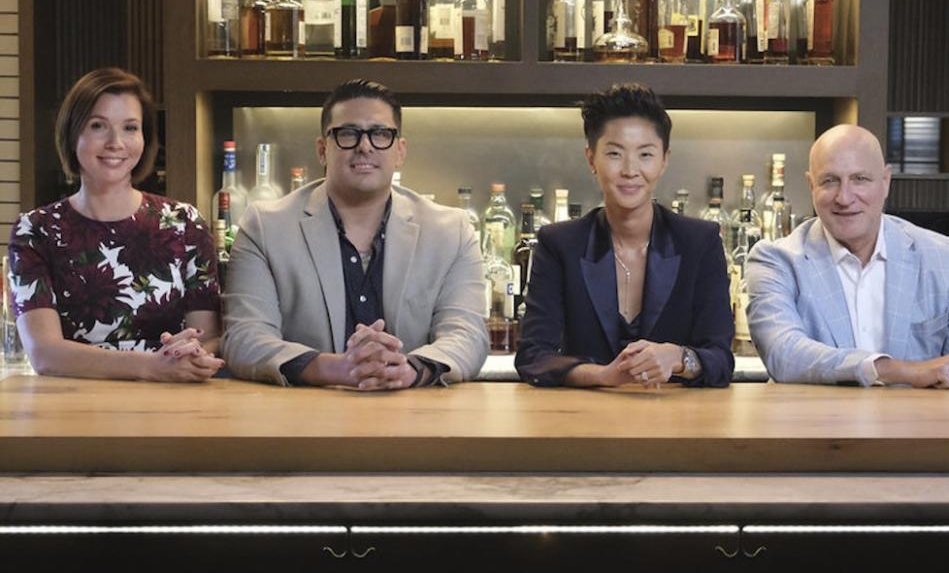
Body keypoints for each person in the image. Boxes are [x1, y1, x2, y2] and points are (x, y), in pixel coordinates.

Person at [222, 79, 488, 388]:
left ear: (400, 151)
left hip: (418, 418)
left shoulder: (450, 231)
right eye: (348, 133)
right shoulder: (265, 227)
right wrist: (336, 369)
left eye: (380, 134)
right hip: (301, 421)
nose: (365, 146)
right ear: (322, 150)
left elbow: (468, 335)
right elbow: (244, 338)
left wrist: (409, 370)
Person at [6, 68, 224, 381]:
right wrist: (151, 366)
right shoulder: (35, 230)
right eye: (98, 126)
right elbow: (44, 354)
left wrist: (191, 353)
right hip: (71, 408)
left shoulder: (185, 222)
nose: (116, 142)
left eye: (130, 128)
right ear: (72, 134)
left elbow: (208, 336)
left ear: (144, 138)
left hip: (171, 406)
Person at [515, 83, 733, 388]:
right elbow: (533, 356)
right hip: (582, 421)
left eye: (645, 154)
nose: (630, 170)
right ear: (591, 158)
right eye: (615, 154)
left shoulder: (699, 241)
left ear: (664, 159)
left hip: (678, 422)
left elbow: (721, 360)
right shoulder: (560, 244)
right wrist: (603, 376)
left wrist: (679, 358)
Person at [746, 124, 949, 388]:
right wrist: (895, 370)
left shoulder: (945, 260)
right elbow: (784, 355)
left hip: (917, 427)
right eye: (829, 181)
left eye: (860, 179)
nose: (844, 197)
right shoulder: (776, 261)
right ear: (811, 185)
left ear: (886, 182)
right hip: (813, 427)